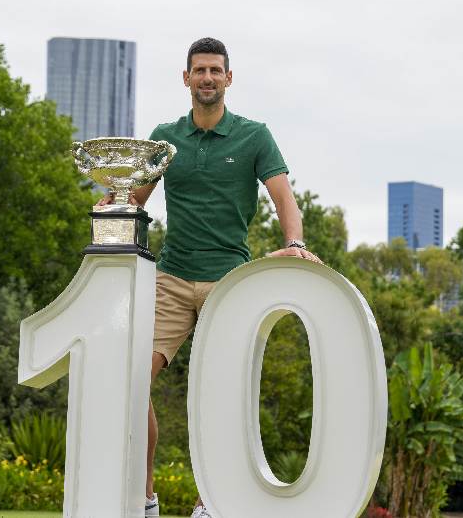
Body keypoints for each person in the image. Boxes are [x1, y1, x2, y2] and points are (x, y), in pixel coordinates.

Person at [98, 37, 321, 518]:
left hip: (229, 282)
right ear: (186, 78)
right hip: (172, 280)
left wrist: (296, 242)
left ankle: (209, 502)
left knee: (222, 395)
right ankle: (145, 494)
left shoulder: (254, 136)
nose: (207, 78)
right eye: (199, 70)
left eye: (215, 70)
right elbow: (137, 197)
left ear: (228, 78)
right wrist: (115, 204)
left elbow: (284, 198)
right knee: (130, 382)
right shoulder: (166, 136)